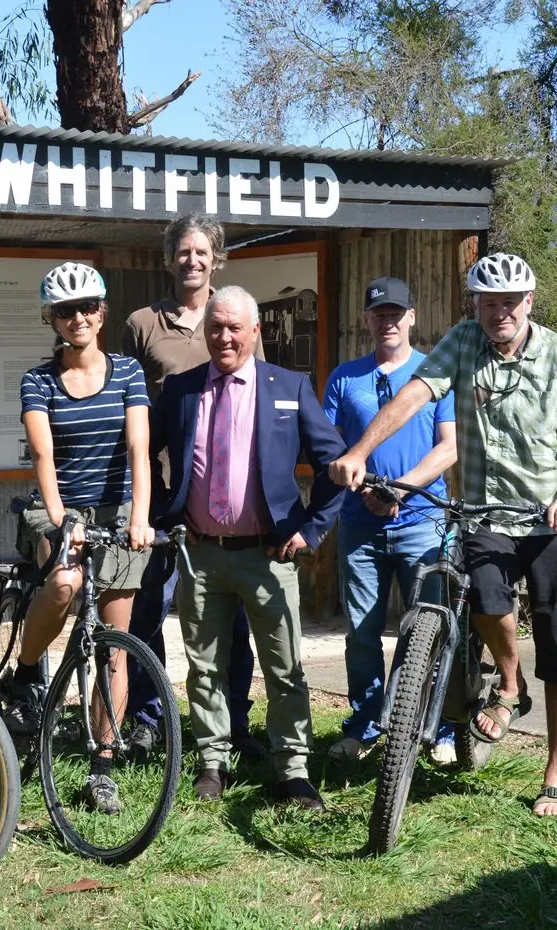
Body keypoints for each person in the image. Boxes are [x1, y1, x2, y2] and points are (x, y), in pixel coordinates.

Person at [330, 253, 557, 818]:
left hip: (552, 519)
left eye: (510, 302)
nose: (499, 312)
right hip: (487, 515)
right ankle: (509, 682)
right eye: (489, 302)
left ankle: (556, 772)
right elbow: (414, 395)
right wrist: (360, 452)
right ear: (476, 306)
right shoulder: (463, 342)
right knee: (484, 600)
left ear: (529, 302)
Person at [151, 285, 346, 811]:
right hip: (202, 554)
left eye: (235, 327)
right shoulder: (184, 389)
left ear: (256, 331)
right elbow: (146, 451)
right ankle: (212, 761)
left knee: (284, 667)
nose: (224, 337)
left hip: (269, 554)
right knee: (205, 665)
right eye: (215, 327)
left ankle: (293, 770)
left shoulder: (289, 386)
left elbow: (335, 462)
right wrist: (163, 512)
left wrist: (311, 527)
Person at [0, 261, 155, 815]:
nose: (78, 318)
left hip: (118, 508)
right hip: (59, 506)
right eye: (66, 310)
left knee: (115, 643)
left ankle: (102, 764)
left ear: (102, 312)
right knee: (62, 583)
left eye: (87, 307)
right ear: (52, 319)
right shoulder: (39, 380)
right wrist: (63, 520)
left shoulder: (129, 372)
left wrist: (140, 517)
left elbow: (138, 449)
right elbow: (43, 454)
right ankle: (24, 679)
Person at [122, 212, 266, 764]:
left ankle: (234, 719)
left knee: (228, 620)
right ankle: (148, 718)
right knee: (148, 615)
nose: (192, 260)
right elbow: (132, 407)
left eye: (202, 251)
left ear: (217, 258)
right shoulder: (143, 324)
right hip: (160, 499)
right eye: (183, 251)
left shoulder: (235, 317)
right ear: (169, 258)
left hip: (223, 505)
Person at [321, 277, 458, 765]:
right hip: (361, 524)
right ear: (366, 320)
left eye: (397, 313)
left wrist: (401, 490)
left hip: (424, 520)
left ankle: (435, 724)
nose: (389, 321)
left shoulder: (435, 374)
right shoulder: (344, 378)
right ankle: (365, 724)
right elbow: (331, 452)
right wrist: (363, 488)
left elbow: (449, 447)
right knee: (361, 631)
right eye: (379, 313)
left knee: (427, 628)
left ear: (413, 317)